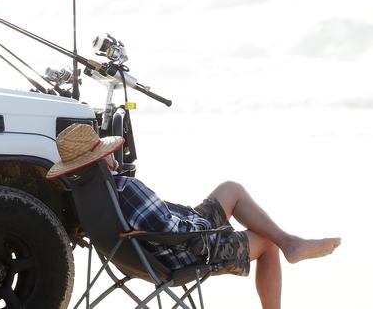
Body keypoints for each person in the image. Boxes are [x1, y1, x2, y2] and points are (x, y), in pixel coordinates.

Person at [46, 123, 341, 309]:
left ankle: (290, 242)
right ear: (101, 161)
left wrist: (194, 216)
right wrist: (212, 229)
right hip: (184, 252)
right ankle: (287, 244)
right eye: (105, 151)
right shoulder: (127, 188)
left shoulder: (85, 196)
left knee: (230, 189)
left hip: (136, 255)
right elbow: (172, 233)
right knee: (266, 242)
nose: (112, 155)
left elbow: (157, 221)